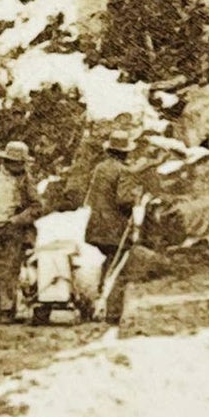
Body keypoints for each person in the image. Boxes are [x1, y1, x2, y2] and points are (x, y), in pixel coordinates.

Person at [0, 140, 41, 323]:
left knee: (9, 272)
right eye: (16, 162)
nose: (19, 166)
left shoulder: (26, 179)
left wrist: (18, 219)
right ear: (7, 161)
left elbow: (37, 206)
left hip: (14, 229)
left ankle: (6, 311)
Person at [84, 127, 140, 324]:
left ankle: (97, 305)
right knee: (118, 269)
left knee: (109, 263)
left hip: (97, 224)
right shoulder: (125, 171)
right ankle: (112, 313)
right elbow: (123, 200)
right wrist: (136, 196)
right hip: (115, 227)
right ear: (125, 152)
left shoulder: (100, 168)